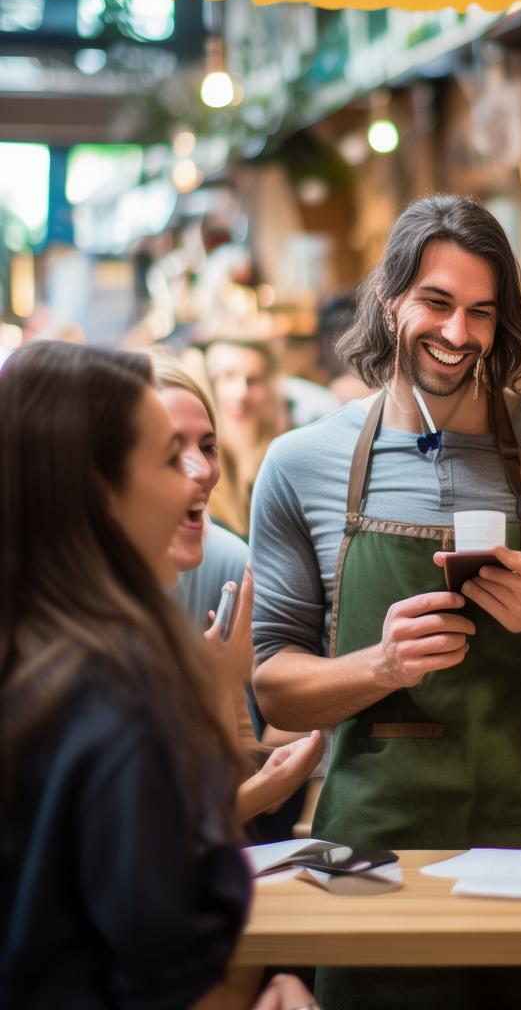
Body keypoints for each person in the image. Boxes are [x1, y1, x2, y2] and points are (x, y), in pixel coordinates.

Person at [251, 193, 521, 1010]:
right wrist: (381, 664)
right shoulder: (300, 465)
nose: (457, 335)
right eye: (435, 303)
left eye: (480, 313)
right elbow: (276, 683)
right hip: (375, 866)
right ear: (390, 299)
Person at [0, 341, 318, 1010]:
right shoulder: (117, 701)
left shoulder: (41, 657)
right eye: (168, 458)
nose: (194, 480)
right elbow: (189, 976)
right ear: (97, 489)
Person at [149, 348, 317, 832]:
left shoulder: (227, 562)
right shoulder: (66, 613)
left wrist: (267, 769)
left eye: (207, 446)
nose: (200, 469)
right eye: (167, 449)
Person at [205, 338, 288, 539]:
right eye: (228, 377)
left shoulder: (284, 454)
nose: (241, 392)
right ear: (212, 384)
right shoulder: (203, 457)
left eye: (254, 380)